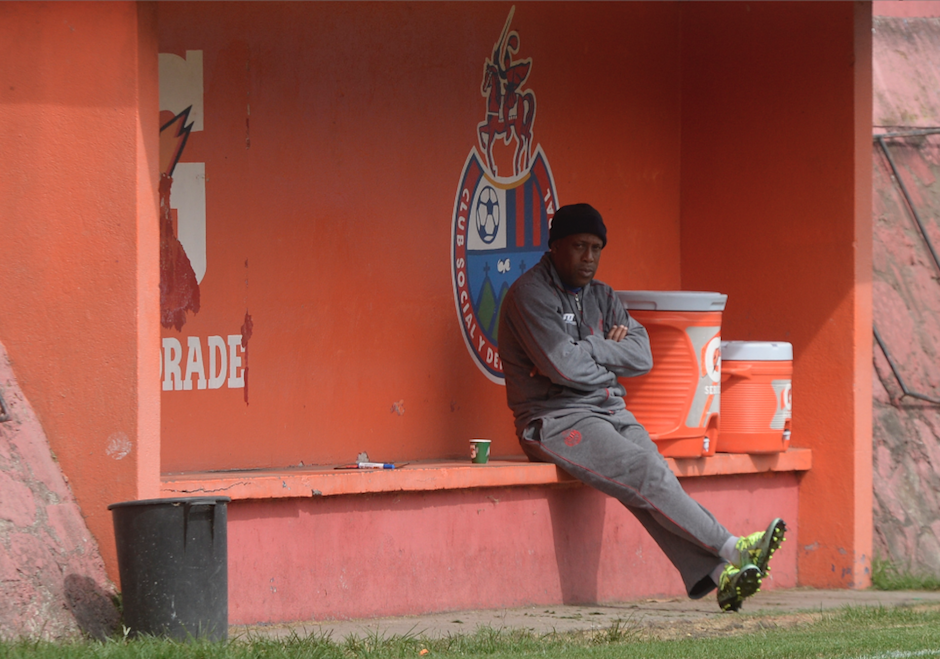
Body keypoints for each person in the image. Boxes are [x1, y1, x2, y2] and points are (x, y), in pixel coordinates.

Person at [497, 202, 786, 612]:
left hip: (610, 409)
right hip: (555, 419)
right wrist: (606, 356)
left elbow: (642, 356)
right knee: (645, 472)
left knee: (654, 476)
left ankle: (719, 576)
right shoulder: (530, 294)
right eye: (579, 246)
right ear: (555, 246)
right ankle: (734, 547)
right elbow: (563, 367)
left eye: (596, 248)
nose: (589, 257)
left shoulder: (603, 296)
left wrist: (592, 349)